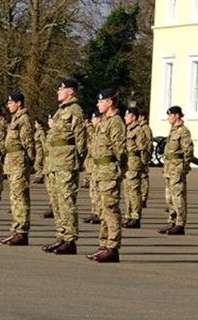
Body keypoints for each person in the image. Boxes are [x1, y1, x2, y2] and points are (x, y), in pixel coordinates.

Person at [41, 80, 87, 255]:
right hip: (55, 161)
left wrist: (78, 159)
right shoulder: (61, 111)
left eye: (62, 89)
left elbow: (80, 139)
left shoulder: (75, 110)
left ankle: (70, 239)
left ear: (71, 92)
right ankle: (61, 236)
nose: (58, 92)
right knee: (57, 201)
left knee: (66, 200)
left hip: (66, 162)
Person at [86, 89, 127, 262]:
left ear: (110, 102)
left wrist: (120, 168)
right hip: (100, 171)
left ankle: (112, 246)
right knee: (102, 210)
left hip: (109, 170)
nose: (98, 104)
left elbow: (120, 150)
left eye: (101, 101)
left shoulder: (115, 122)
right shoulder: (104, 121)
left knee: (110, 209)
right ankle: (104, 244)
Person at [0, 94, 34, 245]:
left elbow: (28, 143)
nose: (8, 106)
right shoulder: (15, 119)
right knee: (14, 198)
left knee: (20, 198)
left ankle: (22, 231)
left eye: (11, 103)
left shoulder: (23, 120)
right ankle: (16, 229)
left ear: (19, 103)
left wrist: (29, 162)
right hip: (12, 162)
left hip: (19, 162)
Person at [158, 106, 192, 236]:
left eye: (171, 115)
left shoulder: (183, 131)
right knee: (169, 197)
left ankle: (180, 223)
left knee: (178, 197)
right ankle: (171, 221)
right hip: (169, 167)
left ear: (177, 115)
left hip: (177, 167)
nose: (168, 118)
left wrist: (184, 167)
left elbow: (188, 150)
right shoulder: (172, 131)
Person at [122, 106, 152, 229]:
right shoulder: (128, 129)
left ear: (133, 117)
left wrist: (143, 163)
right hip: (128, 163)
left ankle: (135, 217)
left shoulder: (138, 130)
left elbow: (143, 147)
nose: (125, 117)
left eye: (127, 115)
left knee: (134, 191)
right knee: (128, 191)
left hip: (134, 163)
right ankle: (128, 215)